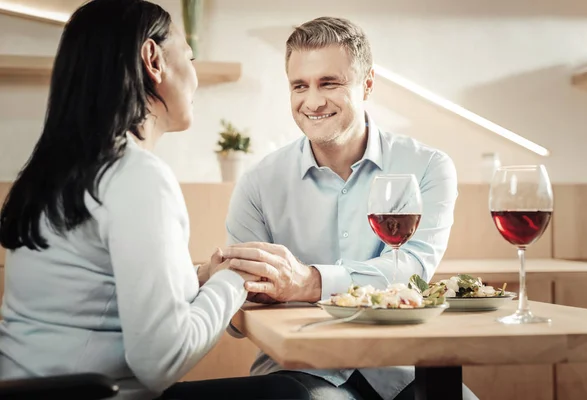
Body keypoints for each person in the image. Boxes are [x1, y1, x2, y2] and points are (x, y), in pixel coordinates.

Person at [0, 1, 310, 399]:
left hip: (30, 388)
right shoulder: (135, 176)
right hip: (97, 393)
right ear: (153, 59)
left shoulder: (55, 172)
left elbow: (101, 291)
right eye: (190, 57)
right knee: (290, 394)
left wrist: (200, 278)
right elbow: (161, 361)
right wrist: (235, 279)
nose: (194, 77)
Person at [221, 16, 477, 400]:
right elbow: (237, 311)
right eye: (299, 86)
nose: (313, 101)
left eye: (329, 83)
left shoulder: (427, 166)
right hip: (301, 371)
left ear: (367, 84)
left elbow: (412, 272)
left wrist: (309, 282)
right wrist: (234, 284)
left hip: (403, 368)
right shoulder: (259, 183)